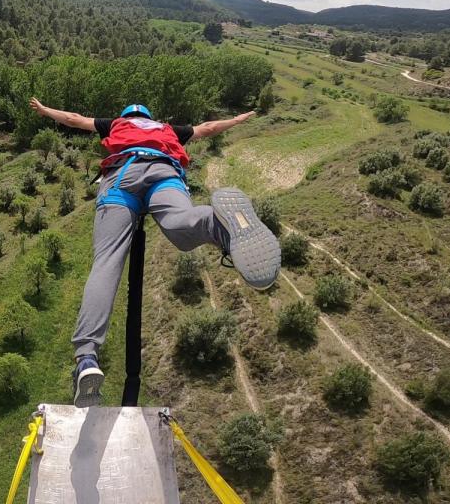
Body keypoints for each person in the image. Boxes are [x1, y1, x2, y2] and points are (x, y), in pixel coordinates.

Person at [28, 98, 281, 407]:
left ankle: (86, 359)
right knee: (181, 226)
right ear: (150, 117)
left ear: (127, 117)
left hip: (123, 176)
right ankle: (220, 226)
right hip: (165, 173)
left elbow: (73, 117)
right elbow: (210, 128)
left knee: (107, 263)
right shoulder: (168, 129)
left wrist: (44, 111)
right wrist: (239, 119)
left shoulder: (117, 124)